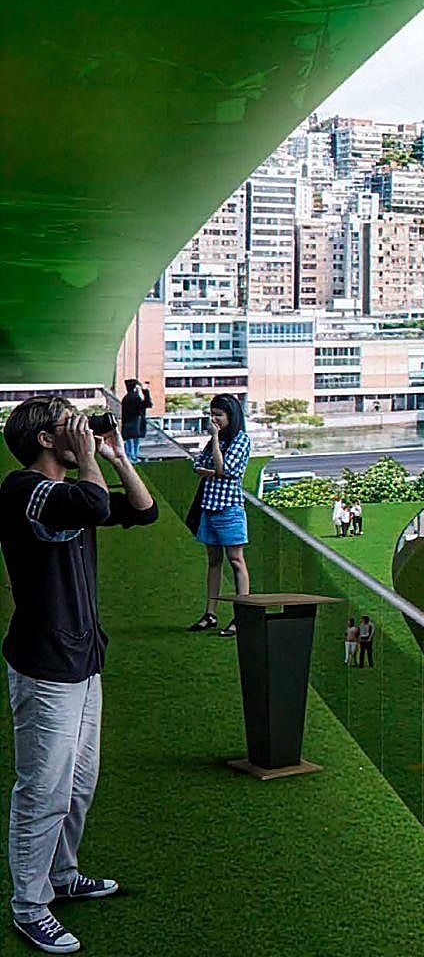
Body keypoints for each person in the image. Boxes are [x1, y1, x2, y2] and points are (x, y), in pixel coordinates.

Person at [2, 395, 160, 955]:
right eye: (68, 422)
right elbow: (92, 506)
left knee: (78, 783)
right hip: (45, 664)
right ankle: (28, 905)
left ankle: (62, 876)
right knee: (42, 789)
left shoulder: (71, 490)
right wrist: (89, 458)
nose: (82, 429)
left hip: (84, 659)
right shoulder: (24, 490)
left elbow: (143, 511)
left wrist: (116, 455)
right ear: (46, 440)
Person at [187, 393, 252, 638]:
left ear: (231, 416)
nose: (214, 419)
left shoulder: (240, 440)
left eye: (218, 415)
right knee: (213, 561)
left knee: (236, 560)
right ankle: (210, 612)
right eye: (211, 414)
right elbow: (198, 465)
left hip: (229, 508)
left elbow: (225, 469)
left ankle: (242, 615)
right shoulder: (215, 441)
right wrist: (212, 466)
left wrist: (214, 442)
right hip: (209, 507)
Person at [116, 380, 151, 463]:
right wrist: (146, 392)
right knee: (132, 443)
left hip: (130, 424)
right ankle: (132, 457)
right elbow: (147, 404)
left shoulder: (127, 398)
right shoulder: (134, 398)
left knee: (131, 442)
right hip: (133, 424)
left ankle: (132, 456)